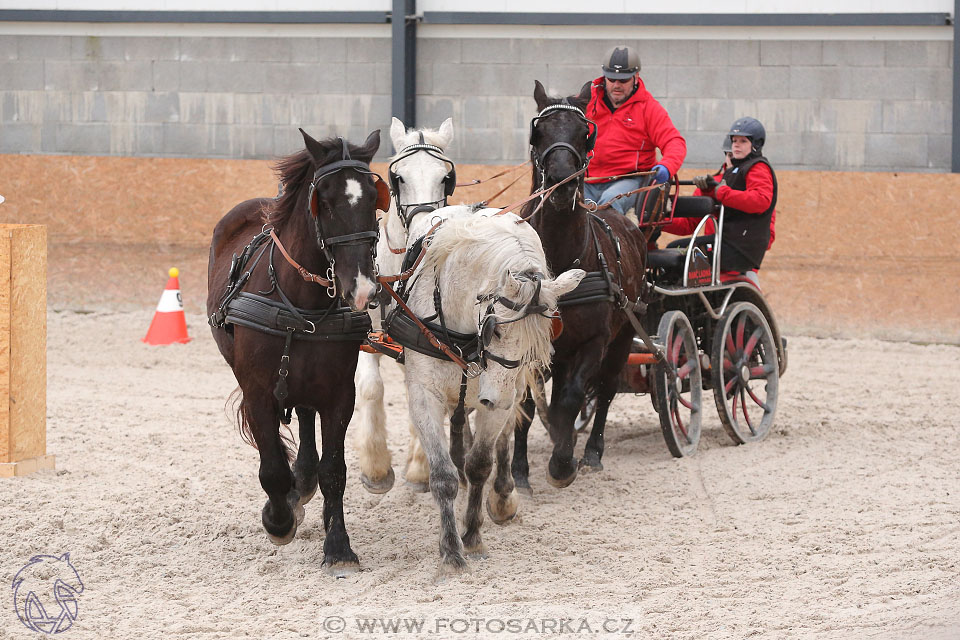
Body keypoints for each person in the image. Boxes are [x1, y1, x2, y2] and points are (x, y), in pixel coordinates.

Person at [663, 117, 777, 280]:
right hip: (719, 246)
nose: (736, 148)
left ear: (755, 146)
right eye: (733, 144)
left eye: (743, 142)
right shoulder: (718, 183)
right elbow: (689, 223)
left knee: (680, 253)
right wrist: (660, 221)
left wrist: (720, 192)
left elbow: (761, 206)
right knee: (674, 250)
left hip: (736, 254)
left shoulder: (755, 171)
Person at [582, 45, 687, 217]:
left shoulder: (649, 108)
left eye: (623, 80)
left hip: (629, 180)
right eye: (611, 79)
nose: (616, 85)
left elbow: (674, 142)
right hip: (587, 179)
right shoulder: (587, 101)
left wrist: (666, 167)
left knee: (609, 203)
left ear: (636, 77)